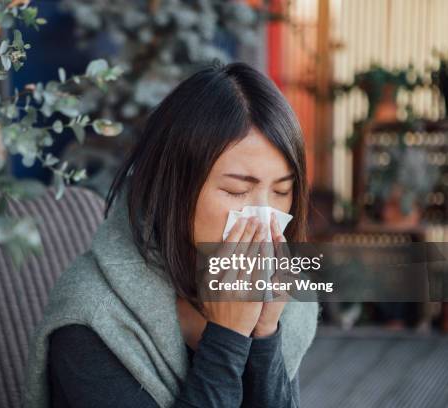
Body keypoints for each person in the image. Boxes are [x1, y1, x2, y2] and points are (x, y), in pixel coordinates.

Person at [23, 62, 319, 408]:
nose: (265, 218)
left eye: (282, 191)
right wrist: (228, 338)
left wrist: (264, 335)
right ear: (174, 188)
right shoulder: (94, 318)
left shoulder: (277, 298)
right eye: (238, 190)